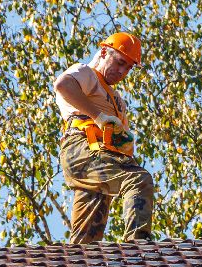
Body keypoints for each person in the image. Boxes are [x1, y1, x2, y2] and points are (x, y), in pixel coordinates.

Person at [53, 31, 155, 244]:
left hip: (103, 155)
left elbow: (120, 139)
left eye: (128, 68)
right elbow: (63, 85)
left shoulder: (117, 101)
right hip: (82, 148)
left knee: (88, 233)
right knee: (138, 179)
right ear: (103, 52)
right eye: (120, 63)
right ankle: (140, 250)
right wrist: (99, 117)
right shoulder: (87, 73)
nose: (122, 72)